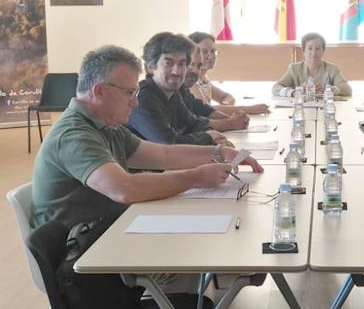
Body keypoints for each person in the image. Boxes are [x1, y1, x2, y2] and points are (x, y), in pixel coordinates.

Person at [30, 46, 263, 304]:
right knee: (190, 252)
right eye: (130, 92)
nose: (136, 102)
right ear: (99, 91)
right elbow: (125, 189)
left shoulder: (105, 125)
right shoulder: (74, 135)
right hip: (85, 264)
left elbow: (163, 155)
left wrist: (218, 152)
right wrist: (196, 177)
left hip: (108, 238)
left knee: (194, 246)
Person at [128, 32, 247, 145]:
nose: (177, 71)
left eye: (182, 64)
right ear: (150, 67)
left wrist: (216, 139)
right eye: (168, 63)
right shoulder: (142, 99)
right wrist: (209, 137)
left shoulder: (172, 93)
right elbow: (168, 143)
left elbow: (193, 124)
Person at [187, 32, 270, 115]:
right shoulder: (191, 82)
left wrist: (225, 106)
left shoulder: (203, 80)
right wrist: (250, 109)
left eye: (213, 51)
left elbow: (228, 97)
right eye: (204, 52)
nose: (211, 56)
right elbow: (207, 109)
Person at [272, 32, 352, 96]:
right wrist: (295, 92)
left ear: (323, 51)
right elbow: (275, 88)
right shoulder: (293, 68)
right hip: (301, 108)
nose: (314, 52)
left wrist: (328, 90)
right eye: (310, 48)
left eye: (317, 49)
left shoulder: (332, 68)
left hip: (325, 110)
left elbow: (347, 89)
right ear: (303, 51)